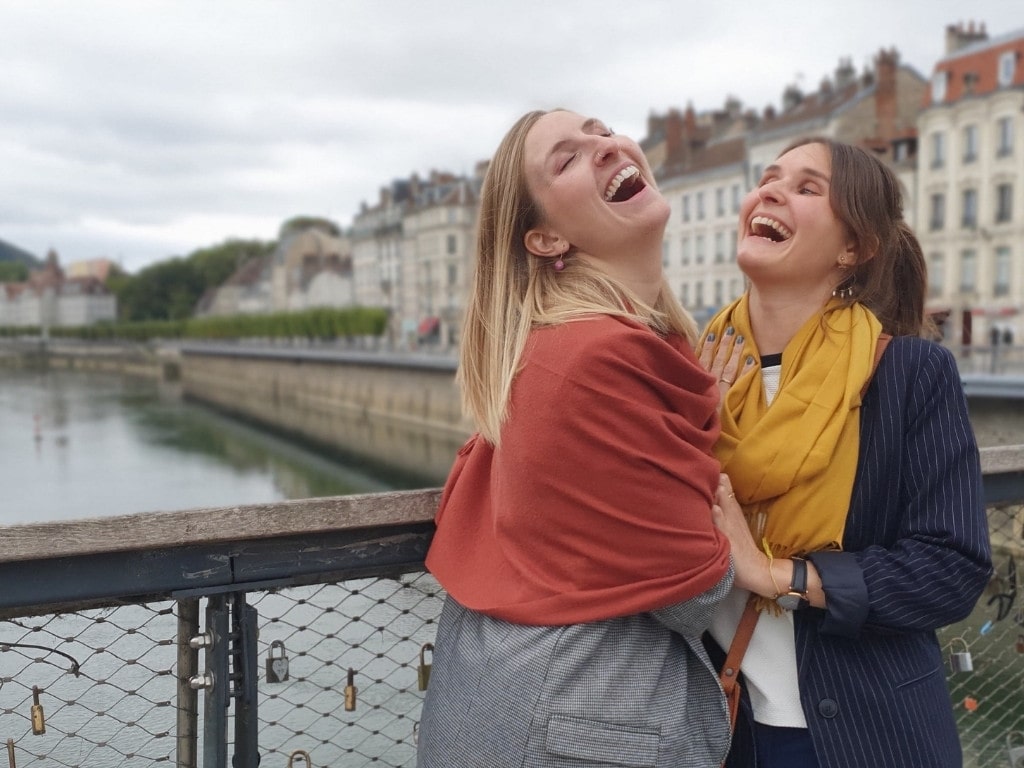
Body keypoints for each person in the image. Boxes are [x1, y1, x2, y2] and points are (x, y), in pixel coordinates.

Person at [416, 109, 734, 767]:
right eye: (565, 158)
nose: (605, 145)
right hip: (578, 724)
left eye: (602, 128)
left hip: (526, 706)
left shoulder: (570, 346)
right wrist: (744, 552)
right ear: (545, 239)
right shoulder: (592, 357)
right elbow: (694, 592)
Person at [699, 137, 993, 768]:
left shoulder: (909, 373)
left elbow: (951, 568)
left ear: (853, 249)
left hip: (867, 734)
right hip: (720, 730)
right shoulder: (693, 372)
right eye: (769, 177)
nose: (771, 189)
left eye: (808, 188)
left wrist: (779, 574)